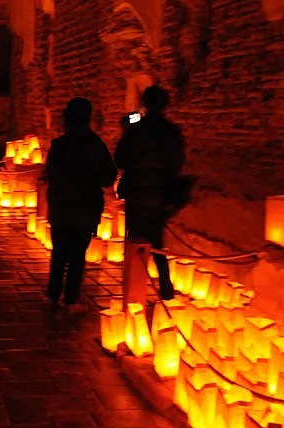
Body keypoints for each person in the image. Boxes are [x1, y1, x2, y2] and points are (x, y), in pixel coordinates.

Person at [45, 97, 118, 314]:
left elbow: (50, 173)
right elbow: (109, 175)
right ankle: (70, 300)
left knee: (59, 253)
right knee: (77, 255)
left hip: (60, 209)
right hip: (84, 210)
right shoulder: (95, 145)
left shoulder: (59, 145)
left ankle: (52, 295)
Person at [115, 85, 185, 301]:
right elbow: (177, 163)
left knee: (135, 241)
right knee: (157, 242)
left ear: (144, 103)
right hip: (161, 194)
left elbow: (120, 159)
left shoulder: (137, 130)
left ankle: (133, 292)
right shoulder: (171, 132)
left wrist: (134, 121)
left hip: (137, 193)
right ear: (166, 104)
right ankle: (165, 287)